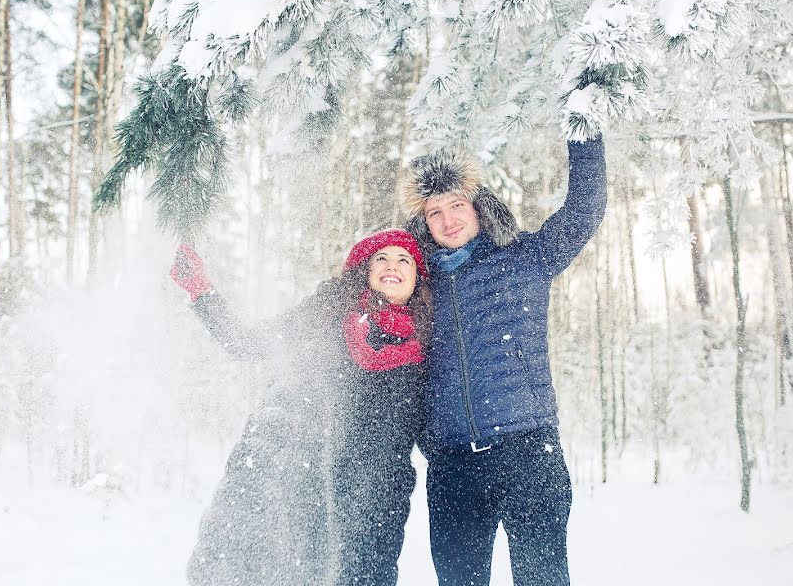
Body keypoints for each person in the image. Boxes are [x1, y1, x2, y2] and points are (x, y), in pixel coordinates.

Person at [402, 135, 607, 585]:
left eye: (455, 205)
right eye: (434, 212)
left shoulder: (525, 258)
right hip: (453, 464)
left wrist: (584, 130)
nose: (447, 220)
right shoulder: (417, 286)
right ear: (424, 224)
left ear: (478, 205)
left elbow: (584, 211)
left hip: (528, 451)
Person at [172, 229, 430, 586]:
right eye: (381, 258)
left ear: (418, 277)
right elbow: (252, 344)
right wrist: (202, 293)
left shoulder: (430, 343)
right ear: (365, 270)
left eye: (405, 260)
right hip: (292, 472)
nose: (392, 266)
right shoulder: (329, 312)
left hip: (373, 497)